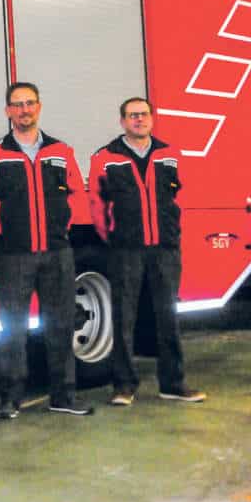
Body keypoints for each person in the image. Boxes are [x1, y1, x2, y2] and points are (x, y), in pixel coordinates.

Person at [0, 82, 94, 418]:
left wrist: (66, 224)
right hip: (14, 255)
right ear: (8, 111)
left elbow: (78, 195)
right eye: (17, 104)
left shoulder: (61, 152)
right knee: (13, 328)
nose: (24, 110)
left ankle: (63, 396)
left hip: (57, 254)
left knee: (61, 325)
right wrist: (0, 223)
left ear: (39, 107)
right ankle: (10, 398)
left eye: (30, 103)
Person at [88, 97, 206, 406]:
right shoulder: (106, 157)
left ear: (152, 119)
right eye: (132, 115)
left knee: (167, 315)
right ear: (122, 121)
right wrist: (113, 234)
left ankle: (173, 383)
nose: (138, 120)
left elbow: (183, 195)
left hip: (165, 249)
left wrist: (172, 233)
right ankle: (124, 386)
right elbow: (97, 206)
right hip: (126, 250)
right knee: (123, 317)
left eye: (143, 114)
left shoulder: (169, 155)